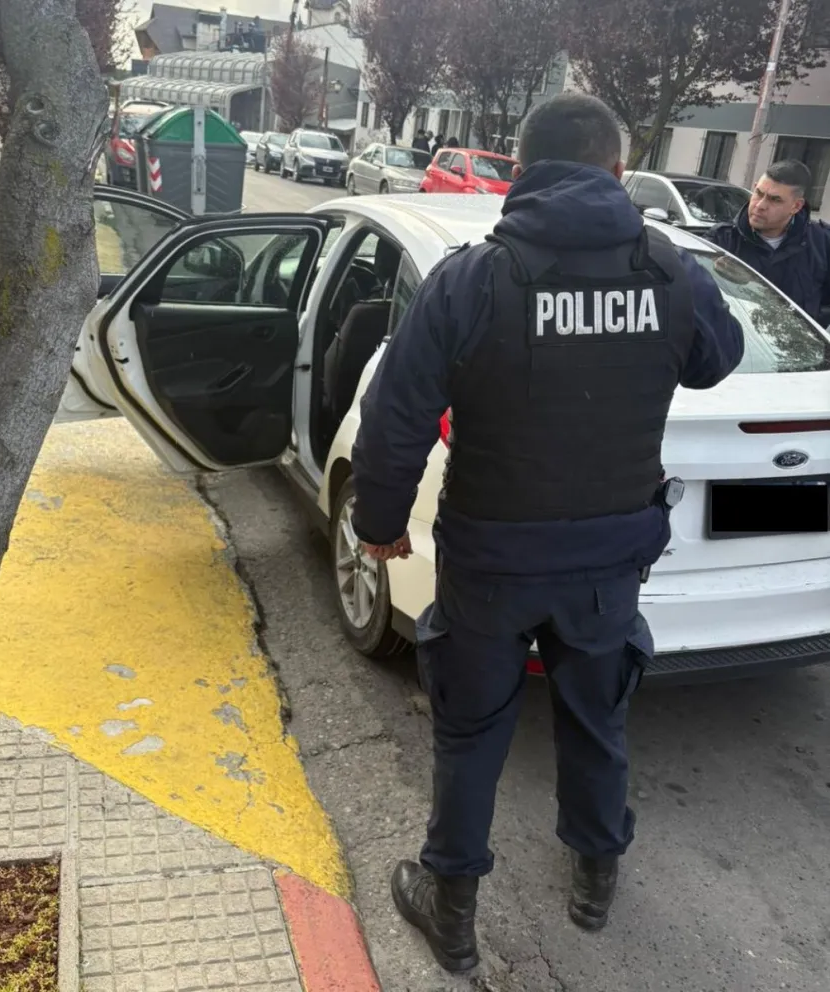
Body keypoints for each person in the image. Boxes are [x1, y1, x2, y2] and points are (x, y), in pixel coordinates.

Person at [349, 93, 744, 973]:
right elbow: (717, 363)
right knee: (596, 720)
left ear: (518, 174)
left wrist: (378, 525)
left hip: (491, 562)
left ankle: (449, 907)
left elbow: (394, 418)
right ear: (616, 172)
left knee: (471, 732)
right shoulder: (669, 270)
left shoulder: (470, 279)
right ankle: (593, 881)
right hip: (607, 562)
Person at [702, 159, 830, 324]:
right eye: (759, 193)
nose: (760, 205)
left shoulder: (822, 244)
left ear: (796, 206)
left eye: (775, 200)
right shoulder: (722, 240)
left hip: (796, 346)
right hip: (739, 344)